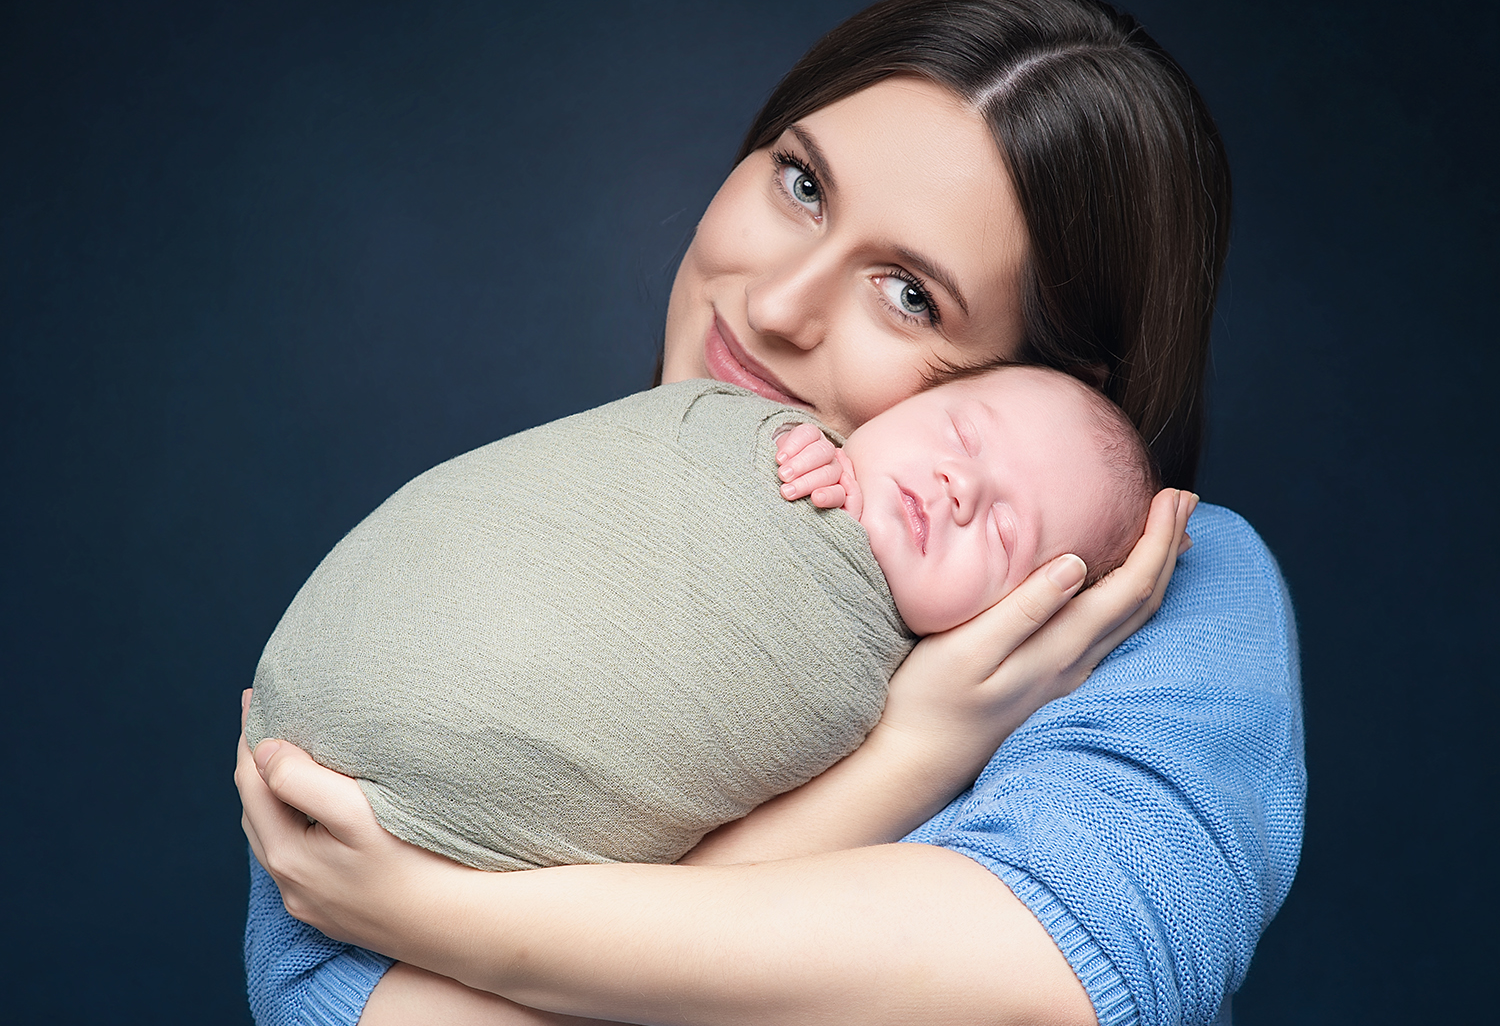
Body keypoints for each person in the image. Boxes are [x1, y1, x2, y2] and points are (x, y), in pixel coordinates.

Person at [239, 0, 1304, 1026]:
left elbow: (1056, 980)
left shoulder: (1120, 592)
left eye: (910, 293)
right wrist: (909, 762)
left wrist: (444, 918)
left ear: (1036, 386)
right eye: (802, 183)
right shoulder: (485, 560)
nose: (784, 301)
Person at [246, 363, 1155, 872]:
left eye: (1003, 531)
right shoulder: (783, 447)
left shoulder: (907, 691)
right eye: (960, 432)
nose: (959, 486)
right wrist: (813, 457)